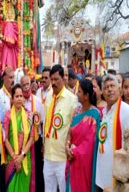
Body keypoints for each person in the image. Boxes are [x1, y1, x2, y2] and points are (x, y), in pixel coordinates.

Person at [96, 74, 129, 191]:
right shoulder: (104, 112)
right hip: (101, 175)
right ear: (102, 93)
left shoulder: (127, 111)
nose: (109, 89)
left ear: (119, 89)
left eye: (112, 86)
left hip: (117, 177)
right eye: (106, 87)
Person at [43, 64, 78, 192]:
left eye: (56, 79)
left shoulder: (72, 100)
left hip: (62, 158)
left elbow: (74, 128)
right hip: (48, 155)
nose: (53, 82)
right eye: (52, 79)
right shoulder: (48, 97)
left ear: (64, 79)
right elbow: (46, 122)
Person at [65, 79, 101, 192]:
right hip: (72, 158)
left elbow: (90, 143)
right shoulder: (76, 111)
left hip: (84, 163)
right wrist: (67, 146)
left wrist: (74, 152)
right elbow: (70, 131)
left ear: (86, 96)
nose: (76, 93)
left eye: (79, 92)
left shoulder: (95, 114)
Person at [3, 84, 34, 192]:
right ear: (12, 98)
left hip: (25, 160)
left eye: (21, 96)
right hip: (11, 161)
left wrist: (21, 156)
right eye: (17, 96)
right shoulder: (7, 116)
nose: (19, 98)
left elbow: (32, 137)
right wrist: (15, 157)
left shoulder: (29, 115)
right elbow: (5, 139)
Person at [20, 75, 44, 192]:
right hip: (23, 142)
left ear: (31, 84)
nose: (25, 87)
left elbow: (43, 123)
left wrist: (43, 143)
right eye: (23, 85)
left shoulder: (38, 101)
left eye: (27, 84)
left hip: (36, 141)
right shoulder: (19, 102)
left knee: (38, 170)